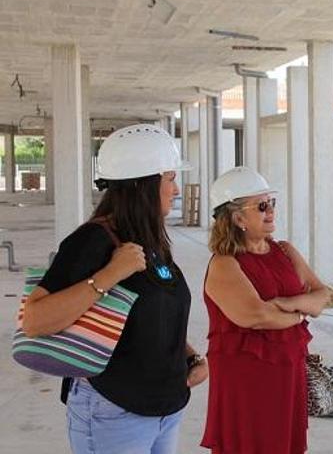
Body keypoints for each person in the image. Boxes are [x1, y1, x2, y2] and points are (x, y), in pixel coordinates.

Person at [20, 124, 206, 454]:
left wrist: (190, 356)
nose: (176, 190)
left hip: (164, 409)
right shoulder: (93, 240)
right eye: (170, 179)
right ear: (143, 184)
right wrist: (109, 275)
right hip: (115, 411)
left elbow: (153, 316)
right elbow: (34, 320)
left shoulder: (149, 239)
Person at [200, 166, 331, 454]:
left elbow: (322, 296)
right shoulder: (225, 263)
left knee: (284, 443)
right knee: (252, 443)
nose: (270, 211)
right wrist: (300, 314)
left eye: (271, 203)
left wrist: (289, 304)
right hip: (247, 377)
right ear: (237, 218)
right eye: (261, 206)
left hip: (288, 367)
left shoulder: (284, 250)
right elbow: (255, 317)